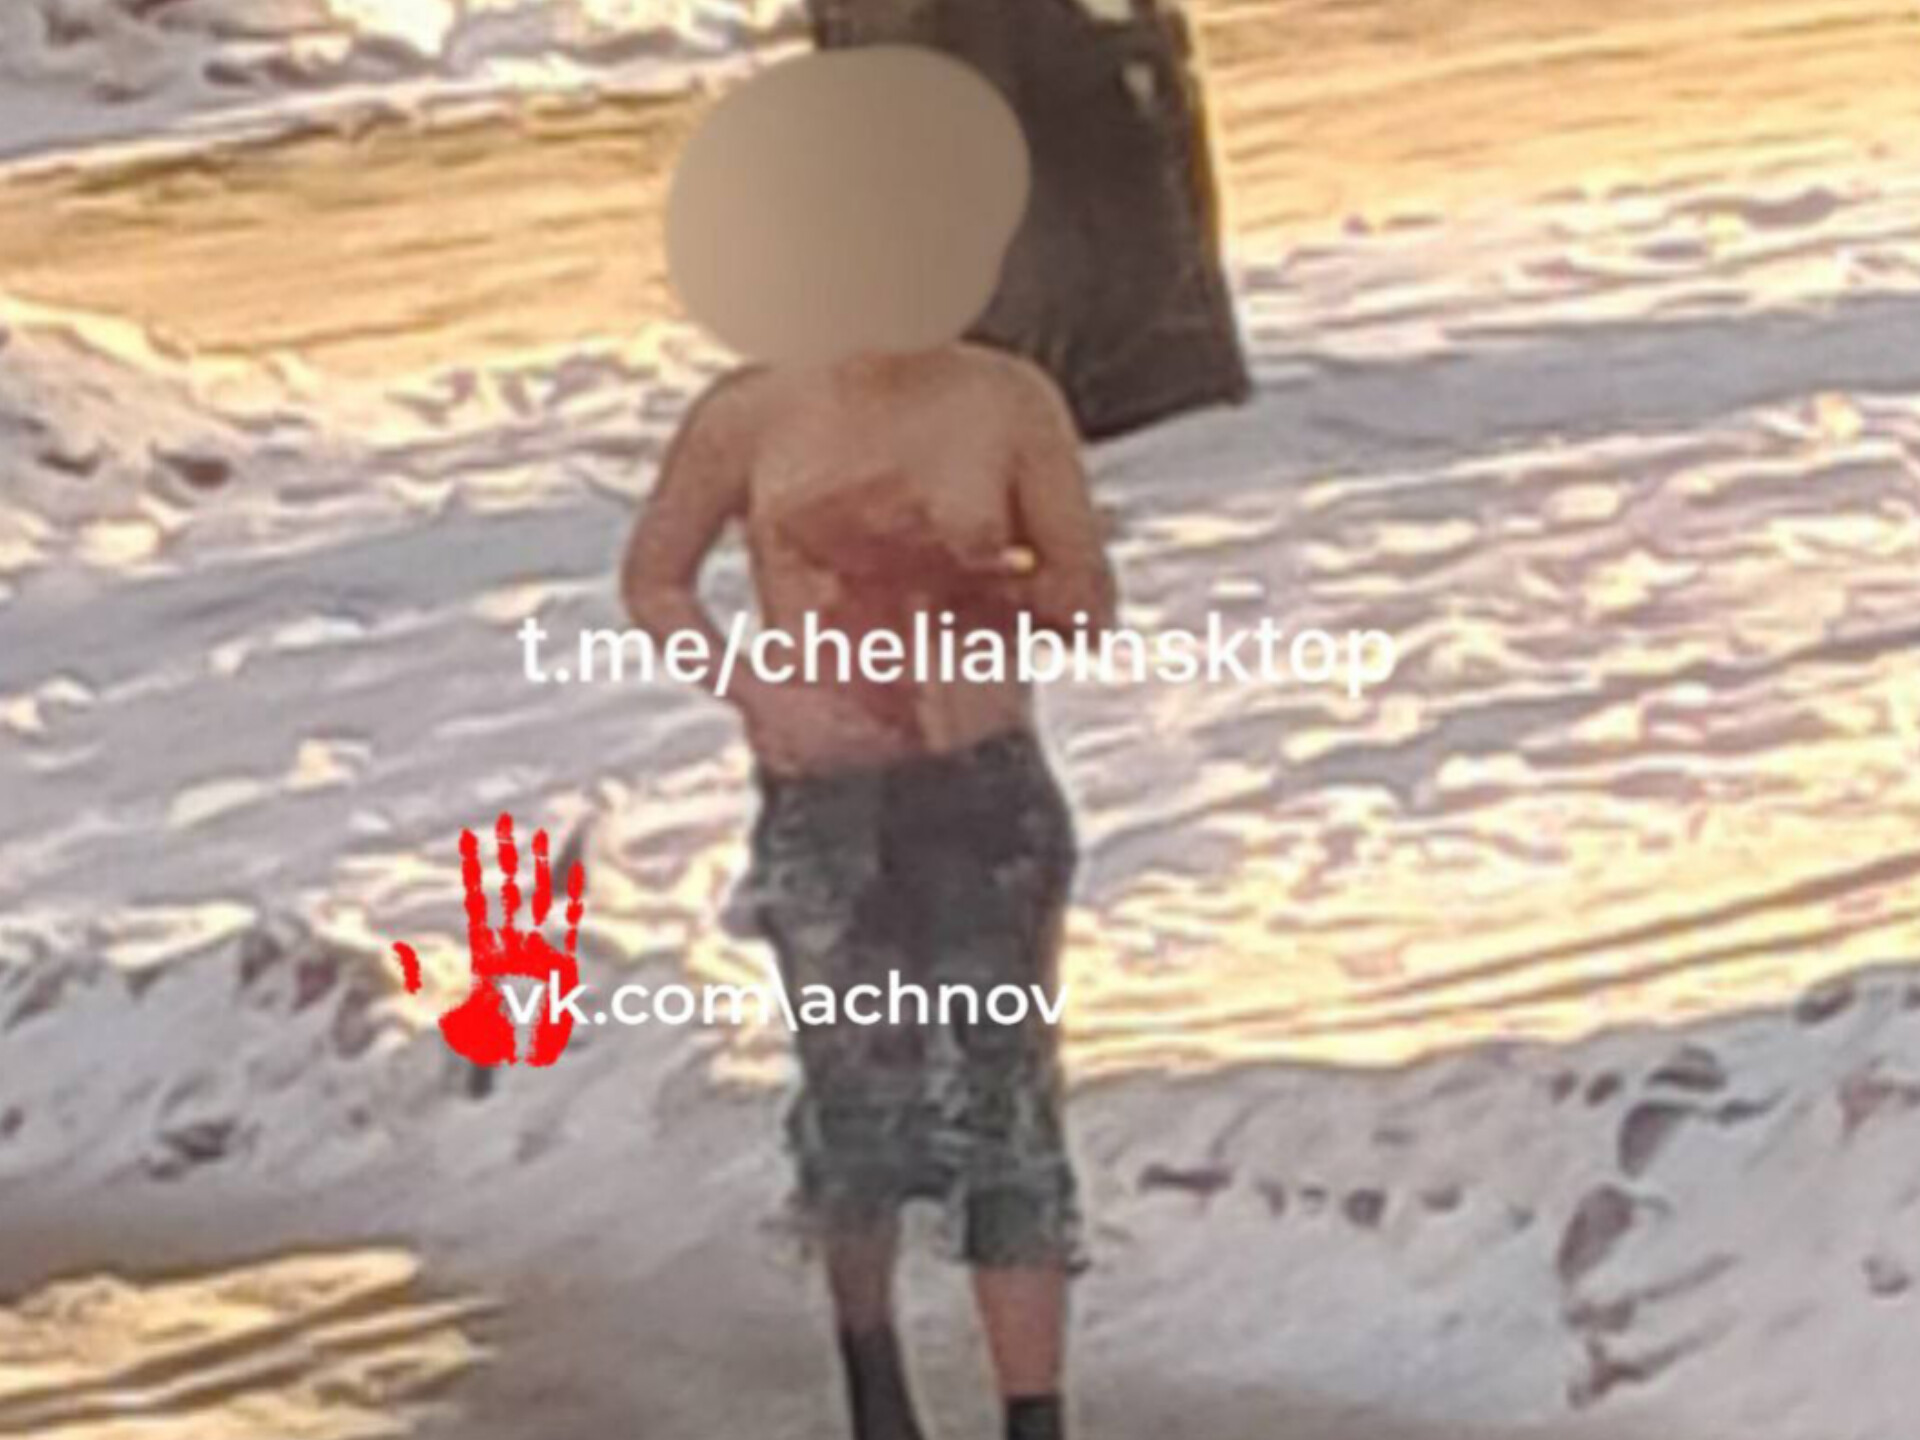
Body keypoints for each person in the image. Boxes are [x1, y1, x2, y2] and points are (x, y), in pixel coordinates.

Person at [622, 48, 1117, 1440]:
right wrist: (756, 693)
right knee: (859, 1103)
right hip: (829, 802)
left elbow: (1086, 602)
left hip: (984, 791)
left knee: (1007, 1105)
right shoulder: (749, 414)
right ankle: (875, 1388)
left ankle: (1035, 1420)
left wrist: (979, 579)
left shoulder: (1008, 402)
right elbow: (653, 579)